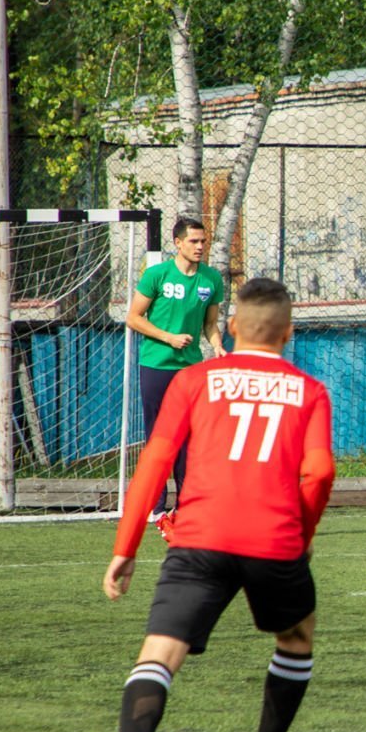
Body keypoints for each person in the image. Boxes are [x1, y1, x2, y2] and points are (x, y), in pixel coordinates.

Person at [82, 278, 335, 732]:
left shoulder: (194, 380)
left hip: (200, 538)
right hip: (274, 540)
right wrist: (303, 536)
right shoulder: (310, 391)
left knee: (160, 653)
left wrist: (126, 546)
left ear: (234, 326)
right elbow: (319, 473)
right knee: (296, 637)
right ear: (288, 333)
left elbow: (155, 461)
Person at [127, 215, 226, 524]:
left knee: (188, 437)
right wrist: (168, 337)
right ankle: (156, 507)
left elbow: (210, 324)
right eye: (194, 241)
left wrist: (217, 346)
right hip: (156, 365)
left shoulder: (211, 279)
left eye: (203, 241)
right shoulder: (157, 275)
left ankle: (186, 506)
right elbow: (133, 318)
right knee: (159, 437)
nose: (200, 246)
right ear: (178, 243)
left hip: (190, 370)